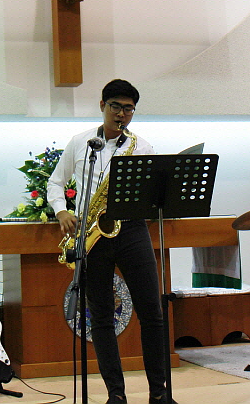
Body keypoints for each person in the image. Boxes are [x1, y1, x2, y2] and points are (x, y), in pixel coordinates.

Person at [47, 79, 169, 404]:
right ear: (102, 105)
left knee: (152, 313)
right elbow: (55, 183)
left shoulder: (142, 147)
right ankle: (116, 394)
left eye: (129, 109)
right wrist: (61, 211)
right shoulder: (80, 142)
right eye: (116, 106)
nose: (122, 114)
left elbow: (153, 194)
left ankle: (159, 393)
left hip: (131, 229)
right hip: (92, 234)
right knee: (100, 316)